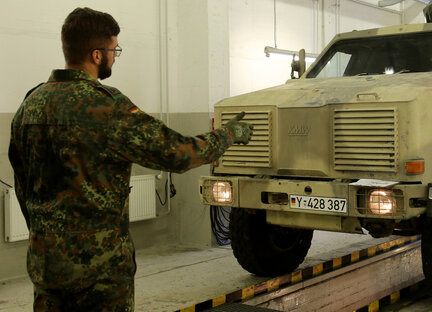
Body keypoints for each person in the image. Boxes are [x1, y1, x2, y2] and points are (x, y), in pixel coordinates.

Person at [8, 7, 253, 311]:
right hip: (99, 272)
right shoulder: (107, 108)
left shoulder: (30, 105)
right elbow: (178, 154)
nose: (115, 57)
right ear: (97, 55)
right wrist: (229, 134)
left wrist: (46, 235)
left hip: (45, 262)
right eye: (114, 50)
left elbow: (23, 185)